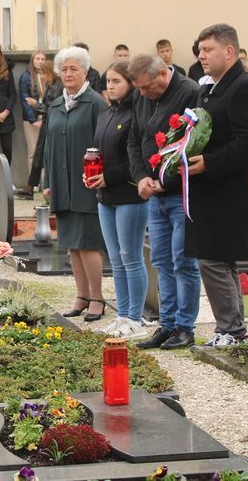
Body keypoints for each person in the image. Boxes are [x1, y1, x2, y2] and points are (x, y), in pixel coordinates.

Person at [186, 24, 248, 347]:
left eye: (208, 50)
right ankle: (231, 328)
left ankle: (231, 330)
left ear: (229, 51)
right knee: (217, 260)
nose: (201, 56)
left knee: (213, 259)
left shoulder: (246, 87)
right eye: (200, 51)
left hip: (229, 191)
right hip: (209, 190)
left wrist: (210, 162)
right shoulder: (210, 88)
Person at [127, 53, 202, 350]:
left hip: (179, 192)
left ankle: (185, 326)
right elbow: (134, 141)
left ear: (162, 73)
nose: (143, 93)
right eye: (139, 89)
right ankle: (167, 323)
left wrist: (165, 181)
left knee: (183, 262)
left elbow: (190, 145)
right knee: (161, 261)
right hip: (153, 194)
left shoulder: (189, 92)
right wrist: (140, 178)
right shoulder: (141, 95)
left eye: (146, 87)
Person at [41, 46, 109, 322]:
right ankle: (81, 295)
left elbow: (104, 143)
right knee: (72, 243)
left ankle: (97, 298)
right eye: (64, 69)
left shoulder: (96, 104)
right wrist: (48, 181)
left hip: (86, 183)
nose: (68, 74)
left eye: (74, 69)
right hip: (62, 182)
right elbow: (48, 146)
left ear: (86, 72)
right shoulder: (56, 104)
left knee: (88, 242)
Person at [84, 60, 149, 340]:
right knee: (115, 260)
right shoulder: (106, 114)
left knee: (130, 257)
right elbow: (97, 152)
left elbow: (138, 159)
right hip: (106, 196)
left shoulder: (137, 114)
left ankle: (135, 319)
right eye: (108, 81)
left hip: (129, 196)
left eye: (116, 81)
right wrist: (90, 172)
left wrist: (109, 176)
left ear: (131, 83)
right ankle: (122, 315)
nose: (110, 86)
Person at [17, 51, 56, 197]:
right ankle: (32, 186)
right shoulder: (26, 77)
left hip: (47, 119)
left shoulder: (55, 85)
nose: (40, 61)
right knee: (35, 152)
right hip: (36, 119)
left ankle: (42, 185)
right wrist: (33, 119)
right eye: (37, 58)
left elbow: (51, 107)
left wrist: (36, 106)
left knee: (43, 153)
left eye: (42, 59)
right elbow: (24, 99)